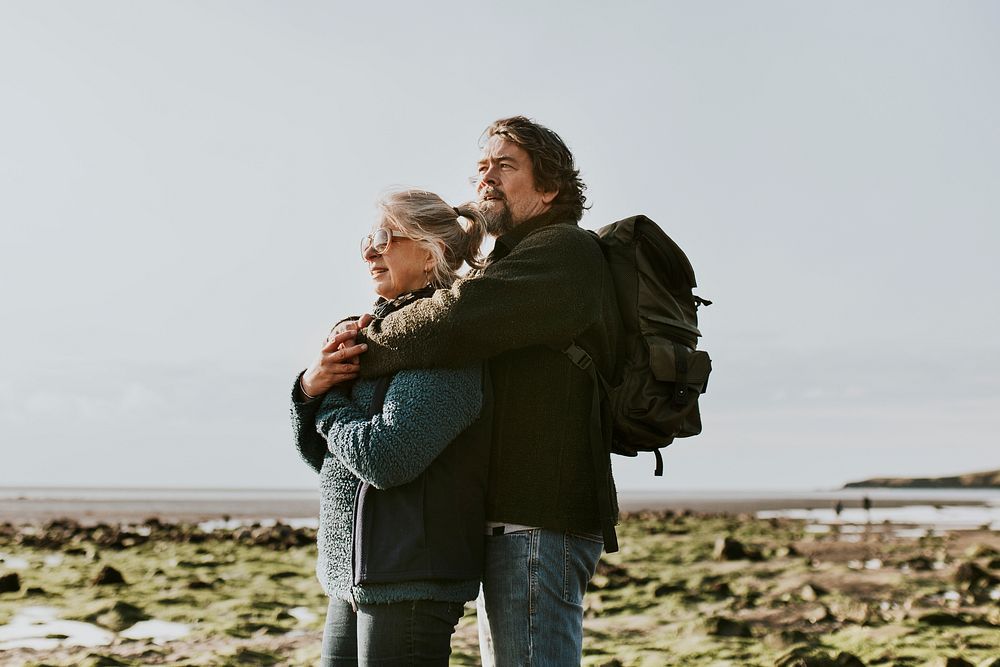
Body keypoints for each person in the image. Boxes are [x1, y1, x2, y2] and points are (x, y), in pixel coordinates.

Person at [342, 116, 622, 665]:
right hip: (509, 519)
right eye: (481, 167)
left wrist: (357, 350)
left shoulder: (565, 252)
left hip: (541, 518)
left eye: (506, 165)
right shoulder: (508, 260)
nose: (486, 177)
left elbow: (453, 321)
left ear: (550, 188)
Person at [290, 189, 491, 666]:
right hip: (352, 577)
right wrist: (310, 388)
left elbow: (387, 457)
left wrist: (330, 403)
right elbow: (324, 459)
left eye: (384, 237)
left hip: (411, 580)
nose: (369, 250)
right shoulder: (373, 336)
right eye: (368, 238)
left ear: (431, 253)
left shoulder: (445, 343)